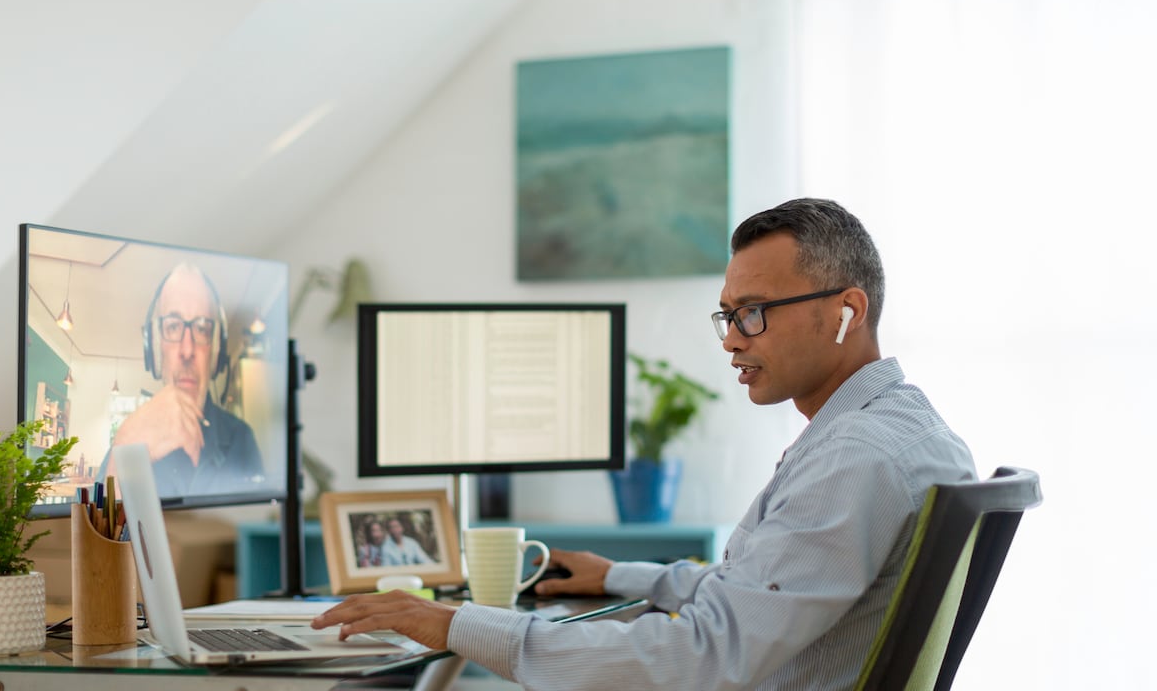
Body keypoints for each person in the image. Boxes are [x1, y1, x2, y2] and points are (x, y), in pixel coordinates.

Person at [311, 198, 978, 689]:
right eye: (727, 315)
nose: (732, 340)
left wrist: (455, 624)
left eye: (753, 313)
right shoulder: (902, 430)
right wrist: (622, 576)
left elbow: (700, 659)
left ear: (846, 312)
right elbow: (761, 592)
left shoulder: (854, 458)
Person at [104, 262, 264, 497]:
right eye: (173, 327)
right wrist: (124, 453)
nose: (187, 350)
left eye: (202, 328)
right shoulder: (129, 437)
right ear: (155, 349)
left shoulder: (242, 440)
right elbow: (95, 520)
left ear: (215, 352)